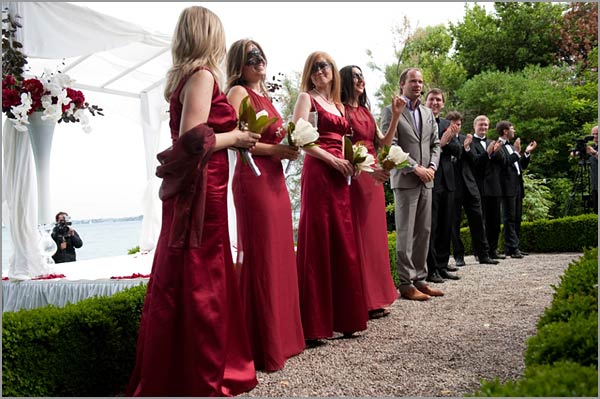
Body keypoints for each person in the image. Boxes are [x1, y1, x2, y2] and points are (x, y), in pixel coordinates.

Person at [127, 7, 260, 397]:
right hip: (204, 190)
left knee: (190, 272)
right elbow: (192, 139)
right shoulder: (202, 76)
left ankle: (183, 366)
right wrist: (235, 137)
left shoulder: (185, 77)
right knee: (204, 275)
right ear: (209, 36)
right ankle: (202, 372)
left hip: (202, 187)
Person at [225, 39, 304, 371]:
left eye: (260, 54)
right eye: (250, 57)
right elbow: (237, 141)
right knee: (261, 256)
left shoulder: (267, 98)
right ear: (239, 65)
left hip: (275, 181)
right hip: (254, 181)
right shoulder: (237, 93)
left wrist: (292, 144)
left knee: (280, 254)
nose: (258, 60)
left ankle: (284, 338)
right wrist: (278, 152)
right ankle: (261, 345)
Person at [293, 51, 369, 342]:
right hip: (319, 172)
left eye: (323, 65)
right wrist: (332, 160)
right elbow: (300, 139)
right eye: (313, 67)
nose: (318, 71)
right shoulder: (306, 98)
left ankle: (347, 317)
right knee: (319, 238)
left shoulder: (337, 104)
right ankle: (315, 325)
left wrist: (354, 163)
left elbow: (346, 141)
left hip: (341, 175)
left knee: (343, 239)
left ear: (333, 70)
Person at [339, 64, 404, 319]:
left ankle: (376, 297)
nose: (360, 79)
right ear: (345, 81)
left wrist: (396, 115)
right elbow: (343, 149)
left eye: (361, 75)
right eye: (354, 76)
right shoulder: (341, 110)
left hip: (375, 175)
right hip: (357, 175)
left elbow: (383, 143)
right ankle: (362, 300)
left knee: (375, 237)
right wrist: (367, 170)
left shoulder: (366, 111)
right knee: (359, 237)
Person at [381, 68, 443, 301]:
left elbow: (436, 145)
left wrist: (432, 168)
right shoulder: (391, 111)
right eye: (413, 81)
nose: (418, 85)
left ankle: (420, 279)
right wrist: (415, 167)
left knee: (423, 232)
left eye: (420, 82)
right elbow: (391, 146)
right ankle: (406, 284)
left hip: (427, 179)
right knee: (406, 233)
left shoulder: (428, 113)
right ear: (402, 83)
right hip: (406, 179)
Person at [447, 112, 499, 266]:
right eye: (453, 123)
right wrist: (462, 148)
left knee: (477, 219)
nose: (457, 126)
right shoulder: (443, 139)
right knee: (454, 222)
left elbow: (476, 161)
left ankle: (483, 254)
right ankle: (458, 255)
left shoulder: (466, 139)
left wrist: (468, 149)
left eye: (459, 123)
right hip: (453, 185)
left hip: (470, 185)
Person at [423, 89, 461, 283]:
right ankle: (431, 269)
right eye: (431, 99)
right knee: (432, 225)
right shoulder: (421, 121)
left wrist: (449, 141)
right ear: (426, 101)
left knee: (446, 225)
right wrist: (442, 142)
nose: (435, 102)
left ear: (443, 104)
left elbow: (459, 150)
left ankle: (443, 265)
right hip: (430, 179)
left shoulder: (447, 124)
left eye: (438, 100)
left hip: (448, 181)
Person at [495, 120, 536, 258]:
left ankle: (514, 247)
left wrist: (526, 153)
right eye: (512, 128)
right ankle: (511, 247)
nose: (514, 131)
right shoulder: (498, 146)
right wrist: (517, 153)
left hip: (517, 185)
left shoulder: (512, 147)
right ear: (505, 131)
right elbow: (505, 163)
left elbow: (521, 166)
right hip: (506, 186)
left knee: (517, 217)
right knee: (509, 218)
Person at [469, 115, 506, 261]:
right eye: (481, 125)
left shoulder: (493, 142)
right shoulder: (470, 143)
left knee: (495, 221)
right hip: (478, 187)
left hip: (494, 187)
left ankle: (492, 249)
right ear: (474, 126)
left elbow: (503, 161)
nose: (483, 127)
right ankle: (480, 252)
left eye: (486, 125)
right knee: (479, 221)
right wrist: (487, 153)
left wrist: (495, 152)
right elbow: (475, 163)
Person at [586, 125, 598, 213]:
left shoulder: (593, 151)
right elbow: (574, 155)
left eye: (597, 134)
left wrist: (594, 153)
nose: (595, 136)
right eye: (593, 134)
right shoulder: (592, 148)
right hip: (595, 184)